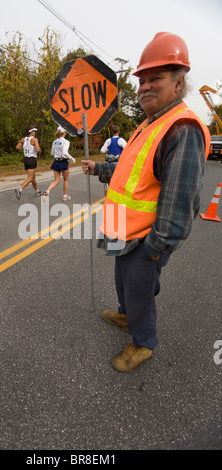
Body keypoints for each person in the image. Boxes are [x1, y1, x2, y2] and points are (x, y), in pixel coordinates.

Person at [82, 32, 210, 372]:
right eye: (142, 80)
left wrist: (156, 248)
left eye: (156, 78)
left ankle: (143, 344)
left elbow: (180, 199)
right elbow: (130, 170)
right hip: (124, 232)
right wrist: (98, 168)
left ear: (179, 82)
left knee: (139, 292)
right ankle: (126, 316)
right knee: (125, 284)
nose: (145, 87)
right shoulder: (150, 124)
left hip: (144, 239)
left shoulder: (182, 129)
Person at [42, 126, 75, 201]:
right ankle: (64, 196)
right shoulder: (66, 142)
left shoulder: (55, 141)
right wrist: (71, 158)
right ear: (64, 133)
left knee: (56, 181)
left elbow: (52, 153)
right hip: (63, 162)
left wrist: (58, 154)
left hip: (56, 162)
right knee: (66, 180)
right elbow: (64, 152)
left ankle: (47, 191)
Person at [15, 126, 42, 199]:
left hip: (26, 159)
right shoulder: (34, 139)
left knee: (33, 177)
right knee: (30, 178)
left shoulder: (23, 139)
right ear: (31, 132)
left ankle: (36, 191)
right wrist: (39, 150)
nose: (35, 132)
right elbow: (37, 149)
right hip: (32, 159)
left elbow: (17, 147)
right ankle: (20, 189)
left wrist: (24, 148)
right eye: (34, 131)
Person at [100, 125, 127, 195]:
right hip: (118, 163)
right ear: (119, 131)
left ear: (112, 132)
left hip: (109, 163)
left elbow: (102, 150)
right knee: (118, 179)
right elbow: (127, 148)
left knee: (110, 179)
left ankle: (109, 189)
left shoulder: (108, 140)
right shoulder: (121, 140)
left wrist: (107, 149)